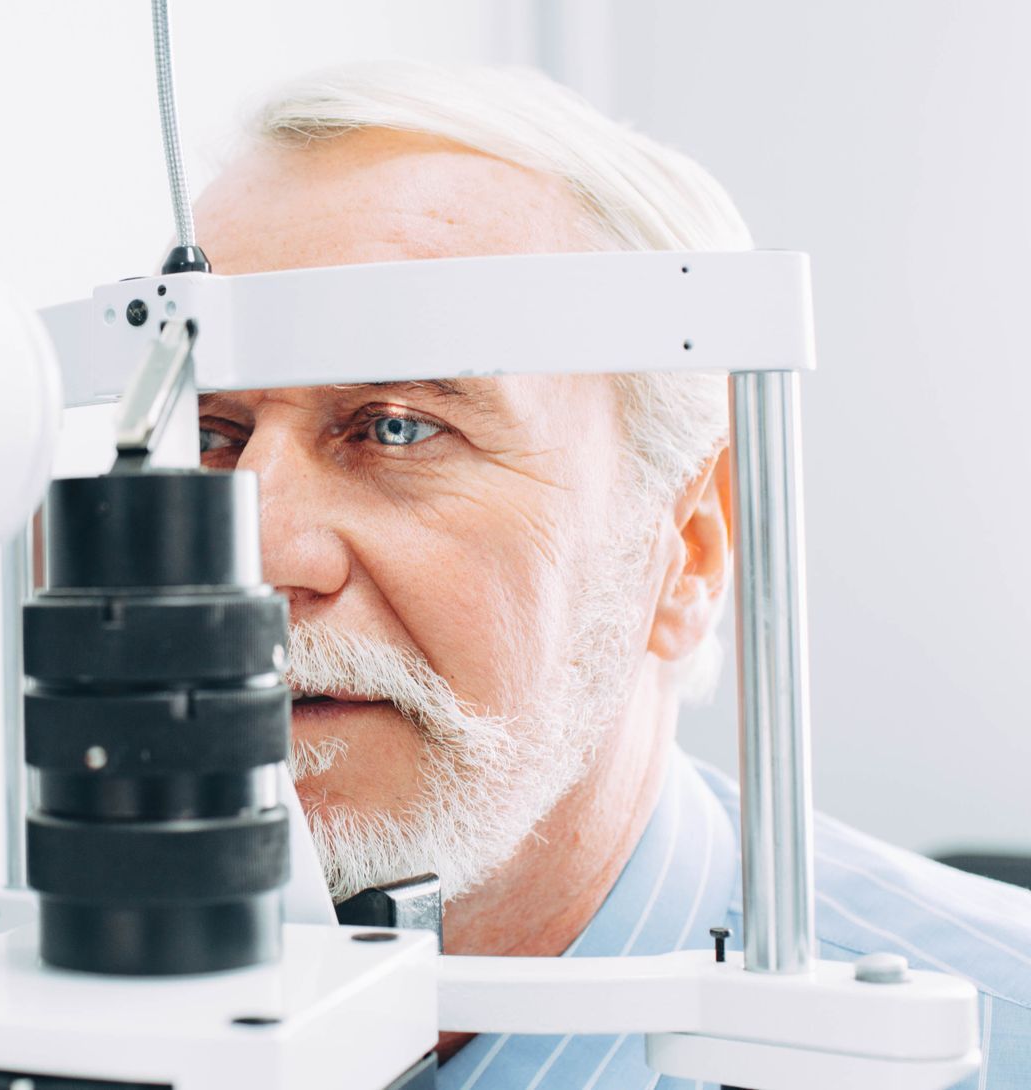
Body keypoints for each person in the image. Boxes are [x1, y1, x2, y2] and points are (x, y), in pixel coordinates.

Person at [190, 59, 1031, 1088]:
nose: (253, 552)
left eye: (398, 428)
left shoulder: (1001, 1033)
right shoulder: (30, 1016)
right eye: (212, 437)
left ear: (690, 549)